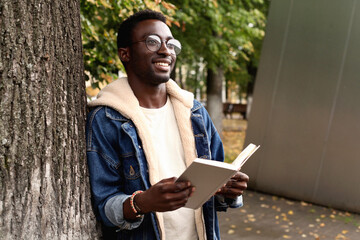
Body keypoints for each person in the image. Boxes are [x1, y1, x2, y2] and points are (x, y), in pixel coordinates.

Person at [86, 9, 249, 240]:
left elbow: (215, 190)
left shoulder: (196, 113)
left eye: (171, 44)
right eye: (152, 42)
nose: (165, 50)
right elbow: (104, 205)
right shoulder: (106, 119)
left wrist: (229, 192)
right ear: (126, 54)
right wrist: (142, 203)